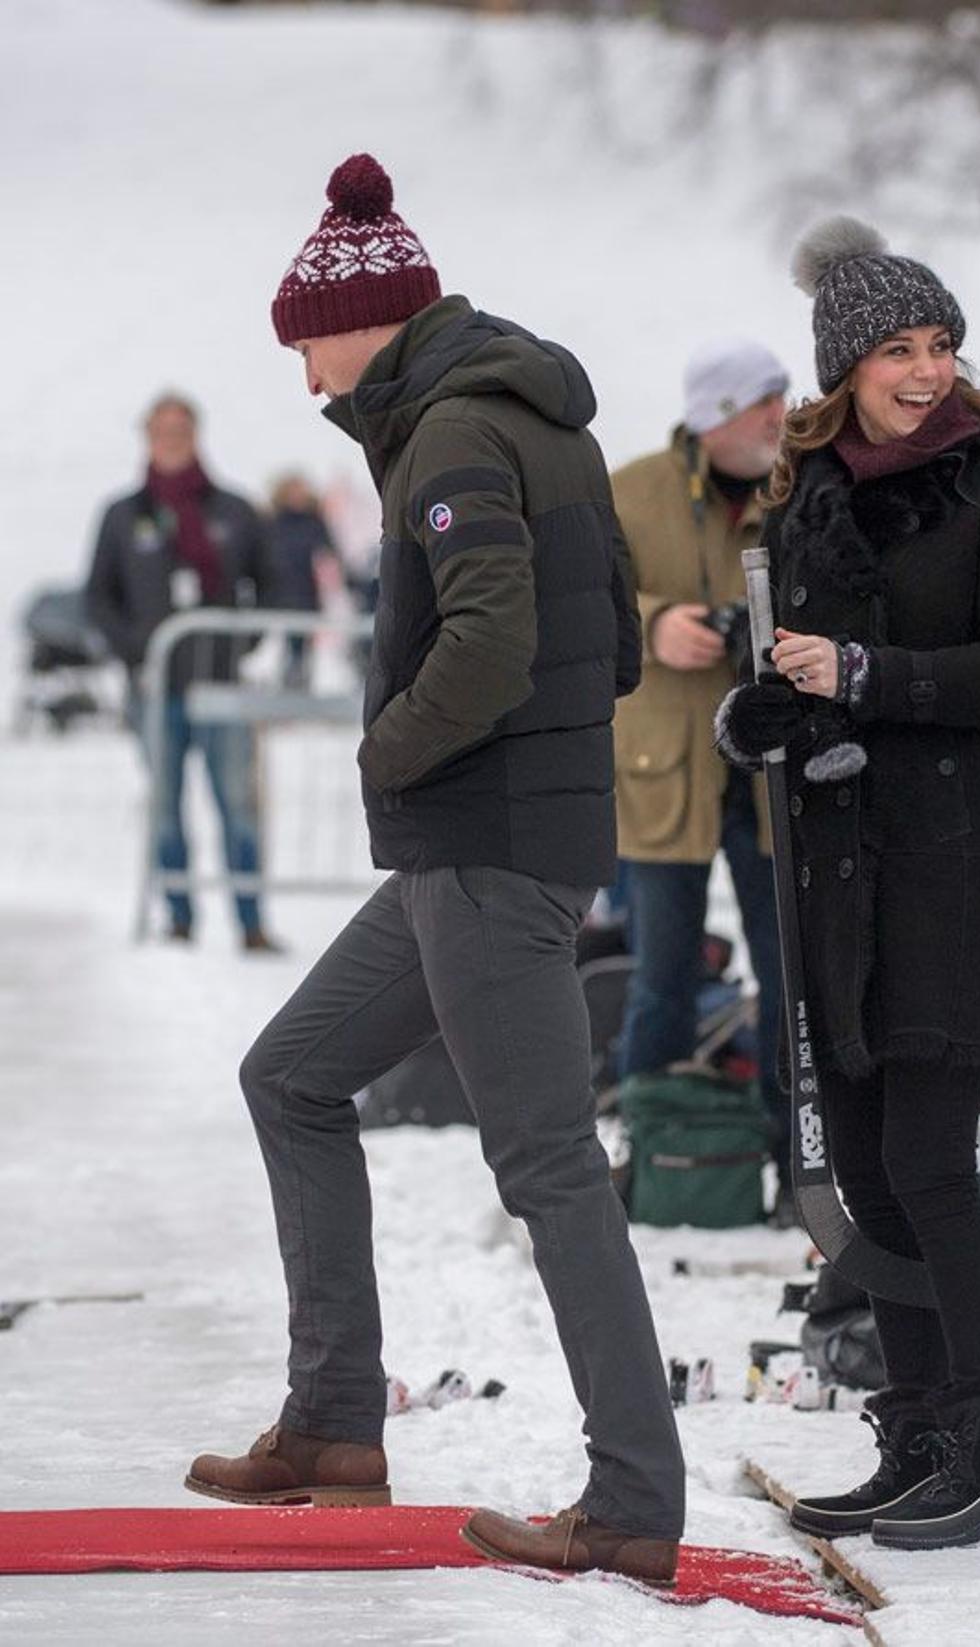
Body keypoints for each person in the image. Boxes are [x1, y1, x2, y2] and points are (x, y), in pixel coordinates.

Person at [185, 154, 685, 1585]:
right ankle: (336, 1424)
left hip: (485, 844)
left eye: (309, 345)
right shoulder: (524, 417)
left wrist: (385, 753)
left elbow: (493, 642)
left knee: (546, 1166)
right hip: (482, 842)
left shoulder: (457, 433)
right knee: (292, 1071)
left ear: (373, 319)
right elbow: (623, 637)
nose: (305, 381)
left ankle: (636, 1495)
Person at [715, 216, 980, 1550]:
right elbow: (801, 665)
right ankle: (920, 1425)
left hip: (956, 864)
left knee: (928, 1157)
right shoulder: (811, 498)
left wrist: (870, 679)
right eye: (898, 348)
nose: (926, 369)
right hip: (844, 869)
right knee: (864, 1165)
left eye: (941, 343)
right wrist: (770, 714)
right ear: (844, 366)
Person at [612, 339, 792, 1210]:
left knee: (790, 976)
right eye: (764, 403)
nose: (780, 417)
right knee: (662, 977)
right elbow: (579, 601)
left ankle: (804, 1173)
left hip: (769, 781)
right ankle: (647, 1159)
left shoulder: (800, 486)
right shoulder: (632, 489)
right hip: (664, 776)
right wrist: (656, 625)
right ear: (717, 415)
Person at [84, 393, 280, 952]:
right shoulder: (123, 516)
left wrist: (245, 640)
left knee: (239, 806)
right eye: (161, 429)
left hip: (222, 687)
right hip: (155, 691)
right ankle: (178, 917)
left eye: (181, 428)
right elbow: (97, 597)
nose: (172, 438)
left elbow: (271, 582)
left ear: (196, 433)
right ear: (147, 436)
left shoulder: (235, 510)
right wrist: (135, 650)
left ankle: (251, 922)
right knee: (165, 810)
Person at [267, 472, 339, 689]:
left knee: (303, 645)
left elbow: (331, 552)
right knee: (285, 643)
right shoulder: (273, 522)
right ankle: (284, 686)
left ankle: (300, 686)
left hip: (307, 592)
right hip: (279, 592)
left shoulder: (315, 522)